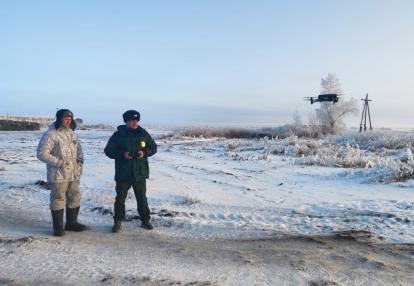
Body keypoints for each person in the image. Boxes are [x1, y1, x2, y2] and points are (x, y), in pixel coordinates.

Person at [104, 110, 157, 232]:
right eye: (132, 120)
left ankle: (145, 220)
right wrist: (123, 154)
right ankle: (118, 221)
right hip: (124, 172)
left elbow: (153, 147)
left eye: (136, 120)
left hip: (139, 172)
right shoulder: (118, 135)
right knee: (120, 198)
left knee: (141, 198)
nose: (135, 122)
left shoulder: (143, 133)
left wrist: (144, 152)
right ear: (126, 122)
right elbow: (108, 151)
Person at [37, 109, 87, 236]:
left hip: (74, 174)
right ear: (59, 119)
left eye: (70, 119)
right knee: (58, 198)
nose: (68, 121)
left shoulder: (72, 133)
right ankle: (58, 227)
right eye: (66, 119)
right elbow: (42, 153)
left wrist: (80, 161)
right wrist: (59, 163)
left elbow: (78, 149)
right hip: (58, 174)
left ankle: (72, 223)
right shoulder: (51, 134)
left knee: (74, 196)